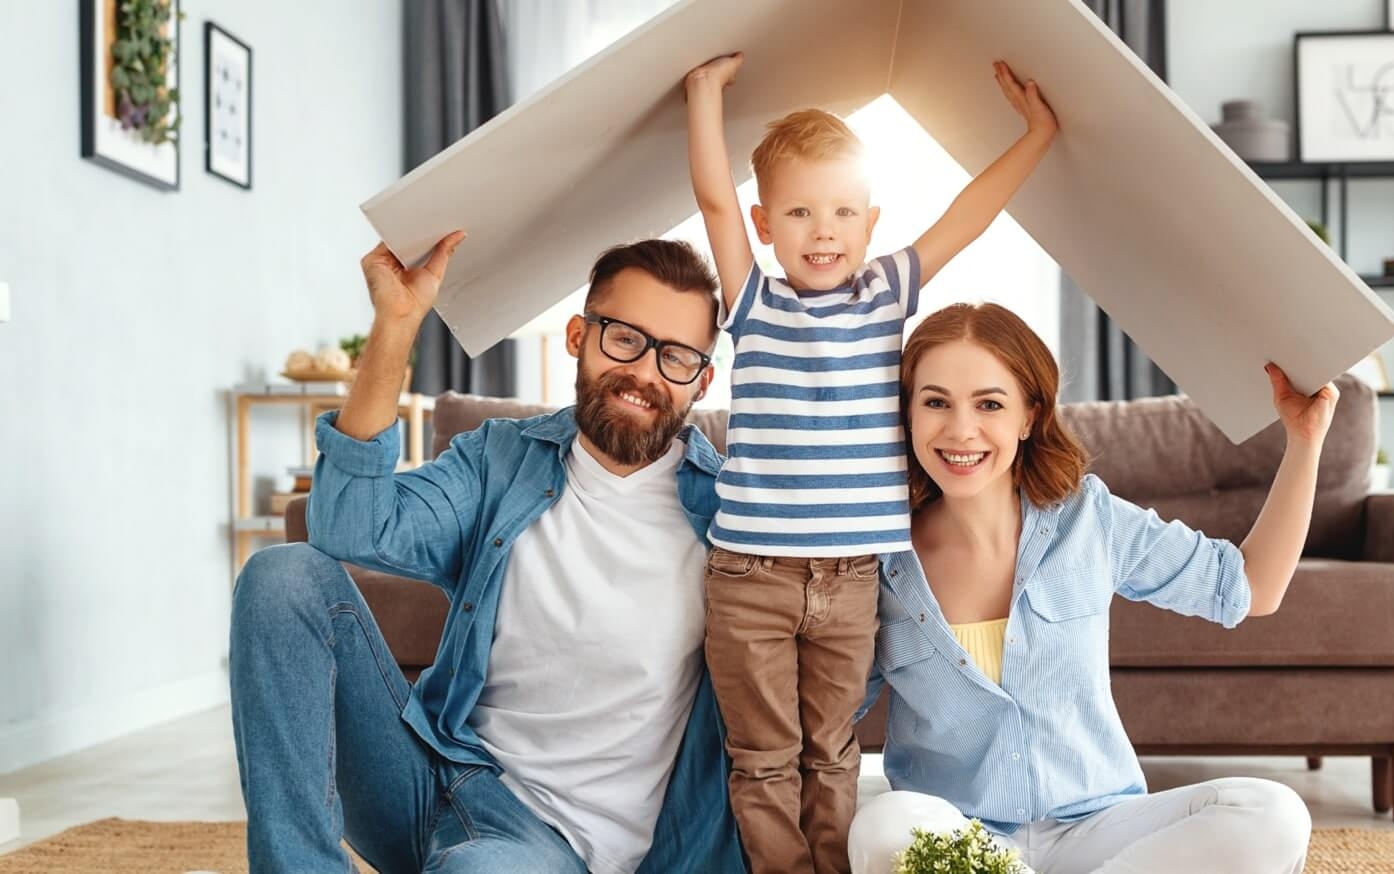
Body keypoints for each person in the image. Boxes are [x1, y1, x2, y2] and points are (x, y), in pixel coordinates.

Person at [229, 232, 746, 873]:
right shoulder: (502, 459)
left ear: (702, 380)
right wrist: (396, 325)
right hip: (426, 777)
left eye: (676, 357)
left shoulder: (730, 514)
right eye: (625, 338)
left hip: (544, 843)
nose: (644, 372)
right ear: (579, 336)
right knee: (283, 577)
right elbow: (345, 526)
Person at [682, 52, 1060, 874]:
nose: (824, 231)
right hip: (751, 578)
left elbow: (969, 215)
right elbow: (710, 195)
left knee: (835, 752)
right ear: (764, 224)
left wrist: (1036, 135)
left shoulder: (885, 293)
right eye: (801, 212)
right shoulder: (754, 299)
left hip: (855, 580)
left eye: (844, 211)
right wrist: (704, 95)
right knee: (763, 756)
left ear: (871, 221)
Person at [848, 303, 1332, 874]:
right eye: (935, 402)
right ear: (906, 414)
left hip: (1100, 831)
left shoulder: (1088, 519)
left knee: (1271, 812)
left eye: (989, 404)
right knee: (883, 824)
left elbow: (1249, 586)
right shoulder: (874, 559)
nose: (960, 430)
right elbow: (829, 716)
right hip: (964, 840)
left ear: (1029, 415)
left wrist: (1304, 442)